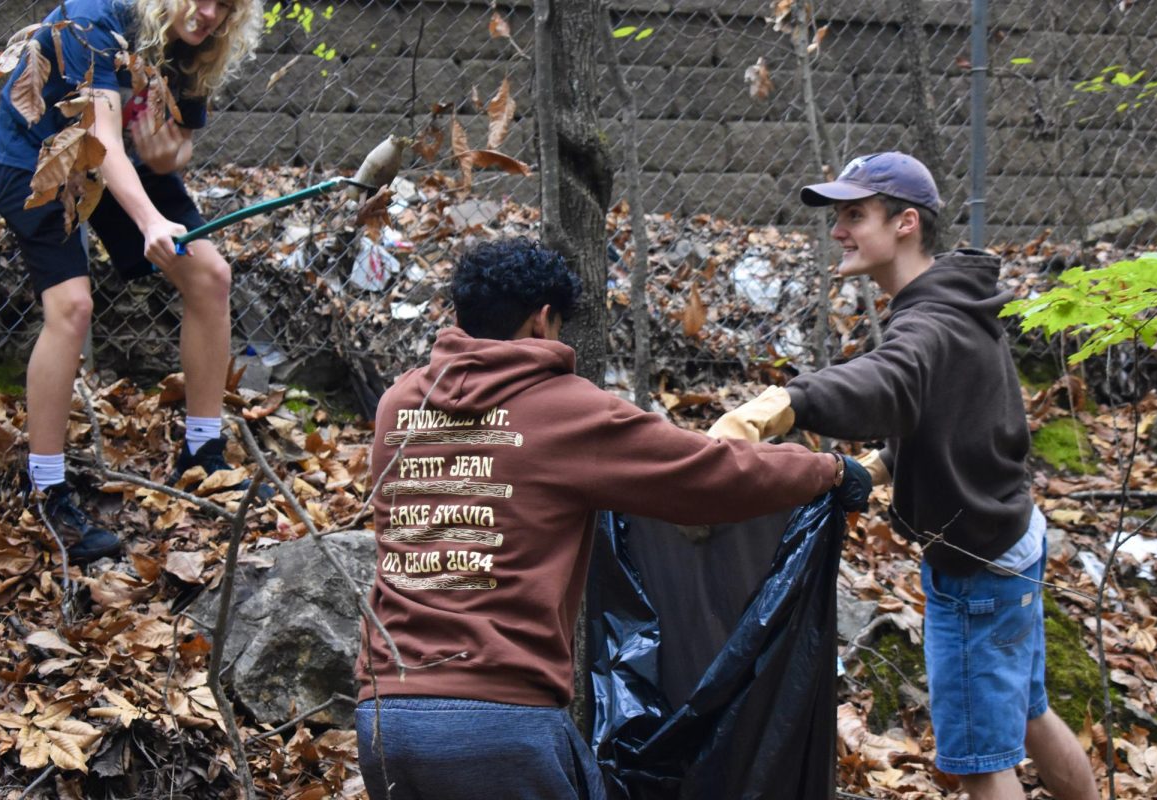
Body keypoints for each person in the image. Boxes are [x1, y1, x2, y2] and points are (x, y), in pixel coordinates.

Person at [354, 237, 872, 800]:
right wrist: (826, 469)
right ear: (542, 320)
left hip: (386, 714)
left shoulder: (398, 404)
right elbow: (707, 473)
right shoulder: (567, 409)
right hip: (500, 720)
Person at [709, 152, 1098, 800]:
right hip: (1012, 540)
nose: (839, 230)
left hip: (976, 571)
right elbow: (955, 419)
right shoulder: (961, 301)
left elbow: (891, 379)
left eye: (855, 215)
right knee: (1029, 716)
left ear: (906, 223)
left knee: (979, 763)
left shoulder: (930, 322)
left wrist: (784, 404)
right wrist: (878, 467)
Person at [0, 0, 261, 563]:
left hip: (118, 162)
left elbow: (177, 145)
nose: (211, 14)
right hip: (40, 157)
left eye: (227, 7)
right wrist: (150, 222)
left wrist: (167, 157)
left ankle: (201, 452)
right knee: (72, 307)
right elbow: (103, 141)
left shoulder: (193, 47)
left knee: (211, 274)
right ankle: (45, 489)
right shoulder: (96, 22)